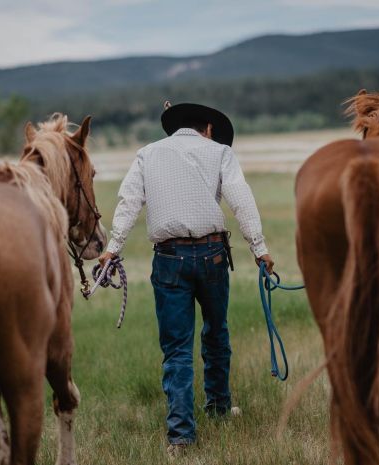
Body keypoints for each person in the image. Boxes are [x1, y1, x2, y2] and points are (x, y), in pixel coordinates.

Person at [98, 102, 274, 457]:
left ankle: (181, 436)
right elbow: (242, 200)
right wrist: (260, 249)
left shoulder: (147, 154)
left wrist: (112, 249)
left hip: (168, 258)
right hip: (212, 255)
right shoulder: (220, 153)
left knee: (177, 349)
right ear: (207, 128)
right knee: (216, 333)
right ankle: (219, 408)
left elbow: (129, 201)